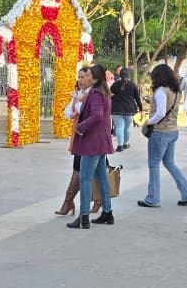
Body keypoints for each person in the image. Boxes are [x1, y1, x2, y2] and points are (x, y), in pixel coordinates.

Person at [137, 64, 187, 208]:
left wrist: (148, 122)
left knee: (154, 164)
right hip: (172, 130)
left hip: (160, 132)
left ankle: (153, 198)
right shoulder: (174, 90)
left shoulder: (160, 91)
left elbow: (161, 112)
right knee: (169, 163)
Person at [68, 64, 115, 230]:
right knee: (101, 178)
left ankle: (84, 217)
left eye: (87, 75)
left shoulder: (95, 93)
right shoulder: (104, 91)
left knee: (85, 179)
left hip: (92, 142)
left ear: (95, 78)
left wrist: (81, 126)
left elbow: (97, 115)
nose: (84, 78)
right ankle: (107, 212)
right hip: (101, 141)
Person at [54, 71, 102, 216]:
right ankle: (72, 202)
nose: (81, 80)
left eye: (84, 77)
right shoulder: (80, 93)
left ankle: (75, 203)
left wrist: (75, 101)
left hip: (90, 136)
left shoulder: (94, 94)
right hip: (79, 135)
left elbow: (81, 110)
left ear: (92, 78)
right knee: (85, 169)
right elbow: (69, 113)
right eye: (79, 77)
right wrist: (75, 103)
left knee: (88, 170)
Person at [110, 68, 143, 152]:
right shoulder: (133, 85)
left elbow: (111, 93)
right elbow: (137, 98)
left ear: (120, 75)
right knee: (127, 127)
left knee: (119, 127)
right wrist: (141, 108)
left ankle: (120, 145)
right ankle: (126, 143)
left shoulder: (115, 84)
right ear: (128, 75)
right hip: (129, 109)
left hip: (116, 108)